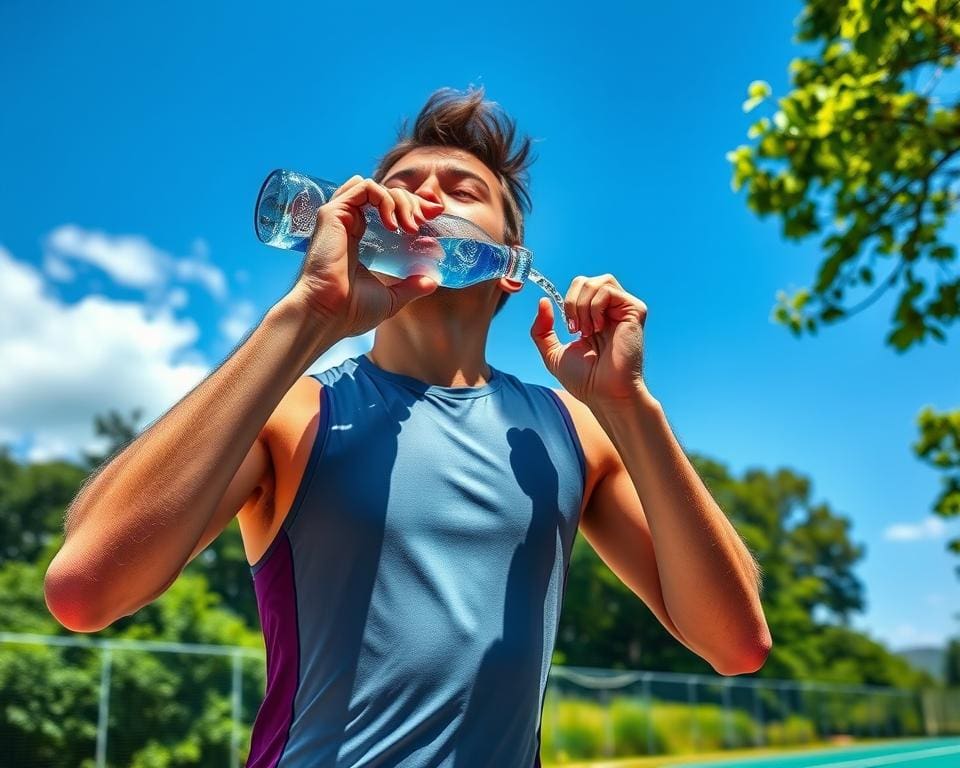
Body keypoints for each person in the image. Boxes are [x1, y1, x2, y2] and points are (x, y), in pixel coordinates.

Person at [44, 85, 771, 767]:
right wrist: (308, 318)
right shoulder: (297, 412)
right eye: (405, 184)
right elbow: (86, 591)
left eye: (463, 189)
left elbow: (735, 644)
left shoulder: (571, 431)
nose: (425, 196)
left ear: (511, 266)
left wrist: (631, 409)